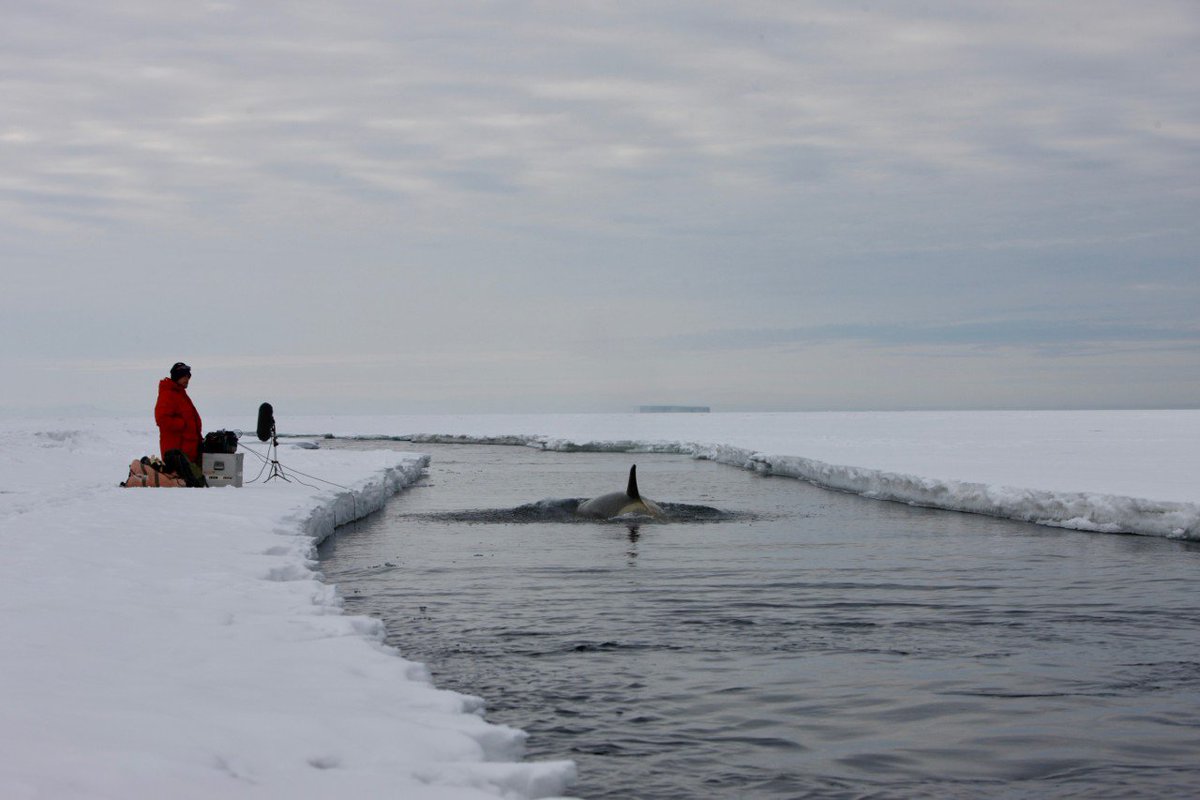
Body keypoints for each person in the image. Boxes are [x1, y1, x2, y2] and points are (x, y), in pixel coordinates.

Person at [155, 362, 203, 464]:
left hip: (188, 453)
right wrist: (183, 424)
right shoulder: (168, 394)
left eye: (188, 376)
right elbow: (162, 419)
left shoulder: (181, 395)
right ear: (177, 376)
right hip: (176, 453)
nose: (187, 379)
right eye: (184, 376)